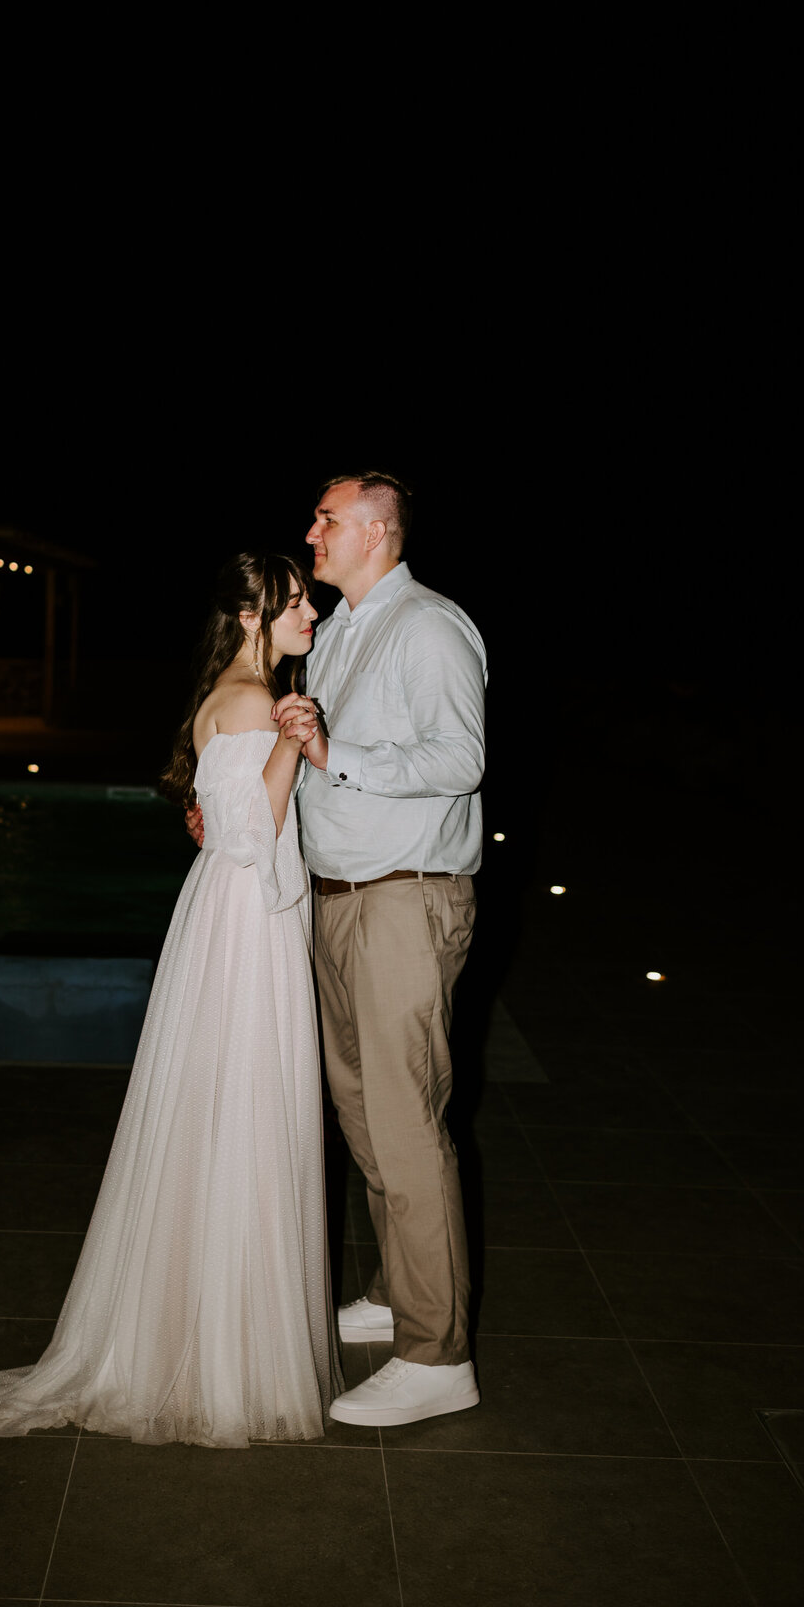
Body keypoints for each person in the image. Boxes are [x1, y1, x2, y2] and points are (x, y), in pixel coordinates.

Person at [0, 551, 342, 1448]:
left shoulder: (247, 689)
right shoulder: (249, 699)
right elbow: (247, 833)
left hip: (239, 915)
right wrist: (291, 740)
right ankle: (224, 1355)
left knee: (228, 1112)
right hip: (244, 921)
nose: (310, 610)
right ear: (253, 617)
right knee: (241, 1110)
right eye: (295, 602)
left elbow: (226, 813)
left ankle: (212, 1328)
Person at [271, 471, 487, 1428]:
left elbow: (460, 758)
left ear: (376, 530)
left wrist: (334, 756)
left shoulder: (430, 625)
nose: (311, 531)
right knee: (362, 1111)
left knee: (405, 1122)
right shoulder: (345, 629)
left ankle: (438, 1355)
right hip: (341, 899)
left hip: (406, 900)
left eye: (325, 519)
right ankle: (405, 1291)